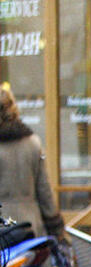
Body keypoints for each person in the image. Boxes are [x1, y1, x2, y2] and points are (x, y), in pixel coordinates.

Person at [0, 83, 65, 244]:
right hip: (31, 228)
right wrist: (56, 227)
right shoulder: (32, 143)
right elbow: (44, 190)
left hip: (3, 229)